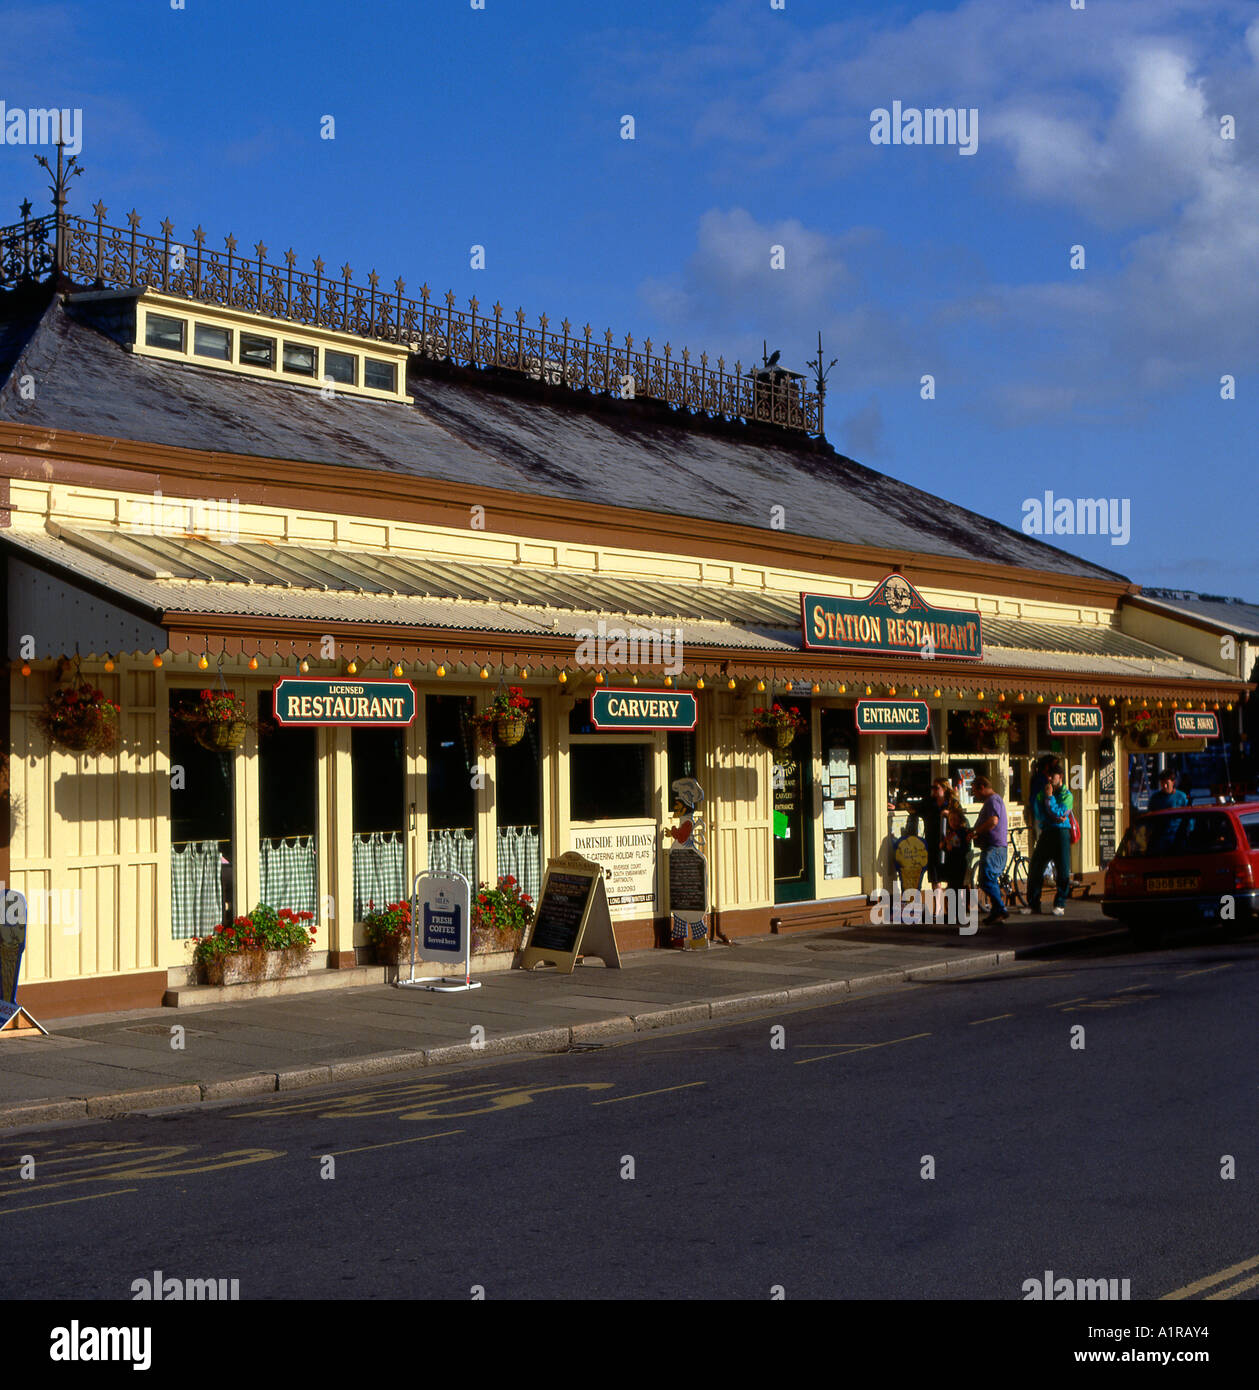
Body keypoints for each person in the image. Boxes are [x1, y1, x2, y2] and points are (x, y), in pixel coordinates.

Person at [1020, 761, 1073, 916]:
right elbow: (1039, 812)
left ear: (1060, 776)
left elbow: (1060, 813)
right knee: (1036, 867)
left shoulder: (1067, 795)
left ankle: (1060, 904)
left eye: (1053, 776)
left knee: (1062, 869)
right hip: (1047, 831)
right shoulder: (1043, 792)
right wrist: (1051, 813)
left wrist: (1049, 800)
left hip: (1062, 833)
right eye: (1048, 775)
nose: (1049, 779)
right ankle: (1033, 903)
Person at [968, 774, 1008, 925]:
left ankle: (1000, 909)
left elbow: (993, 820)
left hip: (994, 846)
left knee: (986, 879)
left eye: (975, 791)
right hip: (993, 846)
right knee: (988, 879)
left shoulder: (993, 800)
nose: (975, 795)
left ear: (982, 787)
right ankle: (997, 912)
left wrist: (977, 831)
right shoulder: (993, 800)